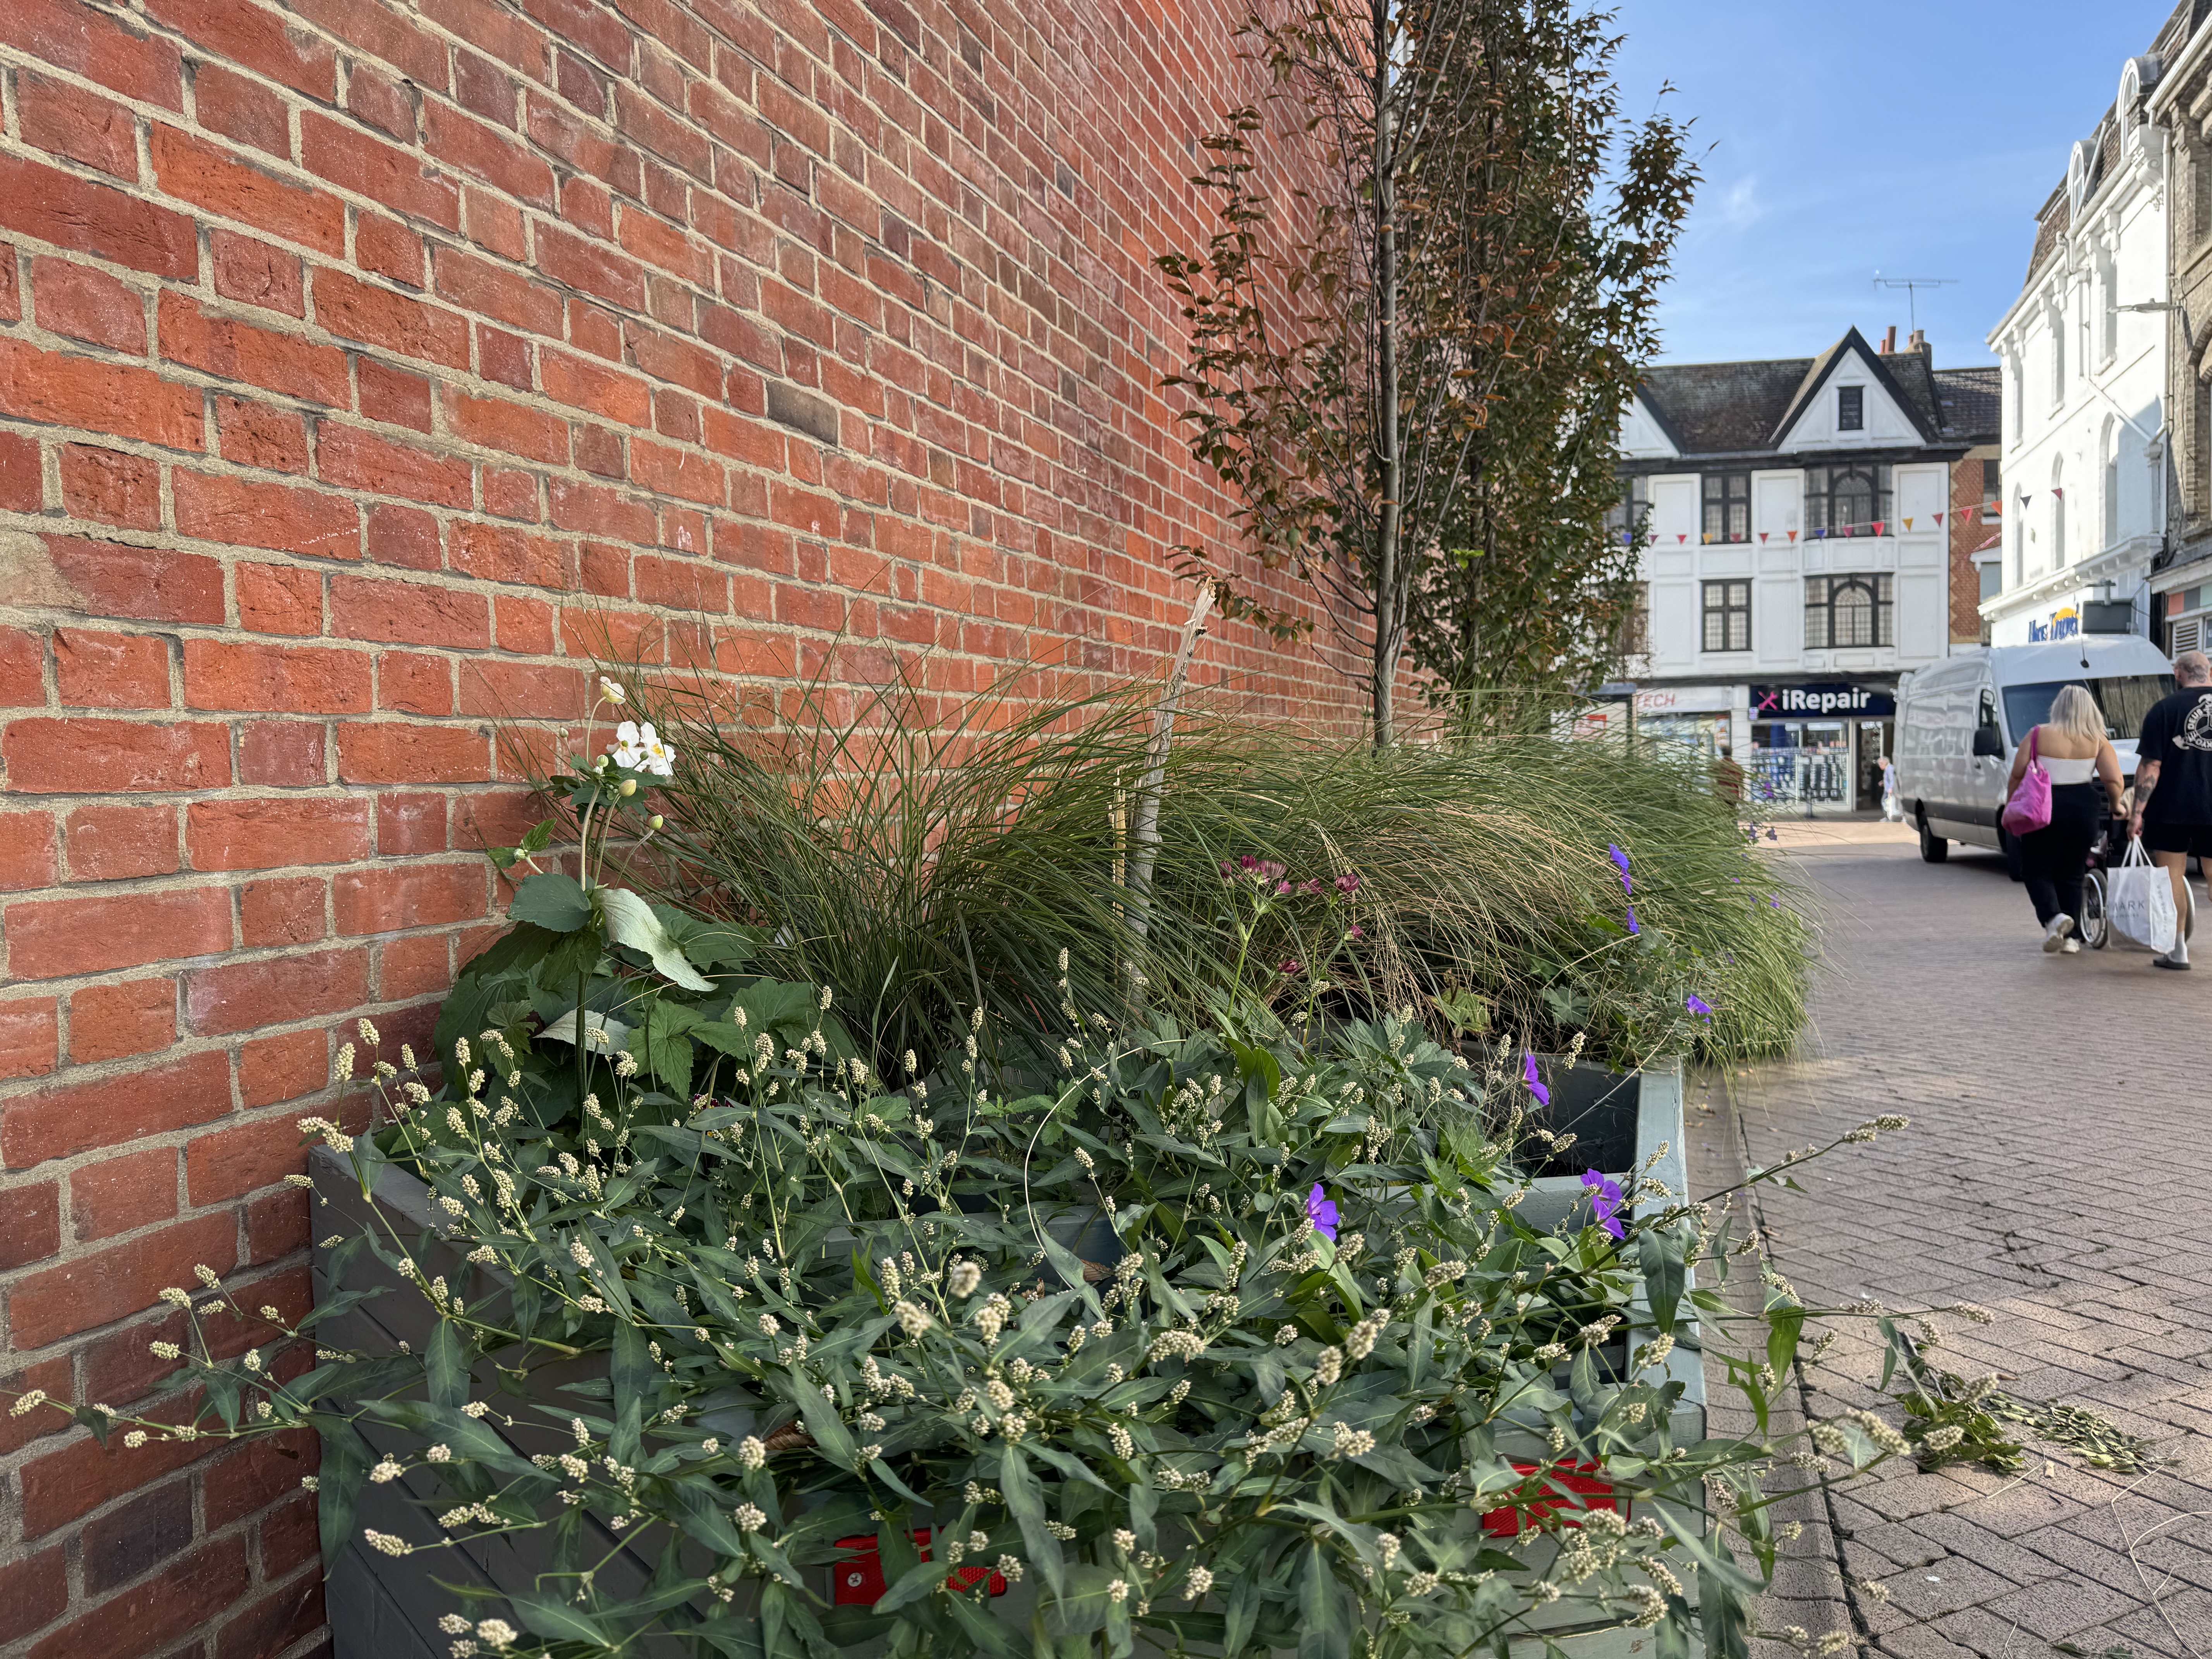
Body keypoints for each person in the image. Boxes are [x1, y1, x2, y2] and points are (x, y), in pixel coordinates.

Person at [2009, 684, 2123, 954]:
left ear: (2058, 707)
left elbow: (2017, 774)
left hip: (2045, 807)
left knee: (2036, 869)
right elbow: (2113, 779)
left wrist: (2013, 802)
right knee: (2073, 872)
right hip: (2084, 806)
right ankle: (2071, 939)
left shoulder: (2038, 735)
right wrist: (2117, 804)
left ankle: (2053, 917)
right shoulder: (2097, 739)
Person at [2130, 648, 2212, 969]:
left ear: (2178, 674)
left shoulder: (2163, 710)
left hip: (2170, 809)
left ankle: (2179, 951)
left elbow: (2151, 766)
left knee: (2172, 878)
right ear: (2208, 672)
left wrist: (2137, 813)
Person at [1878, 755, 1901, 822]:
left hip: (1889, 790)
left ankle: (1889, 817)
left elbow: (1892, 779)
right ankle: (1888, 817)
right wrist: (1883, 782)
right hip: (1888, 790)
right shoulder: (1888, 769)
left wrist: (1891, 788)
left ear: (1884, 763)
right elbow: (1888, 779)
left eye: (1881, 764)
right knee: (1887, 803)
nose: (1880, 766)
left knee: (1885, 802)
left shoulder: (1890, 769)